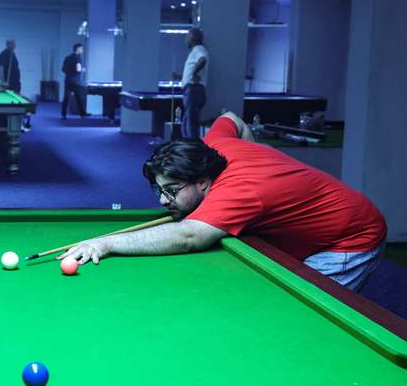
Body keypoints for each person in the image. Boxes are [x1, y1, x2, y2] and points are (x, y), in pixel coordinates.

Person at [60, 112, 387, 292]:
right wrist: (260, 155)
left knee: (302, 309)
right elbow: (232, 117)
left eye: (172, 190)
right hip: (315, 224)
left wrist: (106, 243)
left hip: (350, 238)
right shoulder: (212, 144)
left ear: (203, 182)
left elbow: (188, 237)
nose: (163, 200)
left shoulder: (239, 193)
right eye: (159, 190)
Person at [180, 28, 209, 139]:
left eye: (187, 37)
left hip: (194, 90)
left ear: (192, 38)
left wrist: (193, 73)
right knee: (187, 124)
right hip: (193, 90)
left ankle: (193, 152)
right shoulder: (195, 51)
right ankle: (188, 150)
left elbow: (202, 60)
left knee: (190, 125)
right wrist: (180, 76)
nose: (185, 39)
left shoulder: (198, 49)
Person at [0, 39, 31, 131]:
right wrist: (3, 81)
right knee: (15, 106)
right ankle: (17, 124)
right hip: (9, 83)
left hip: (16, 82)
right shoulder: (4, 54)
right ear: (8, 44)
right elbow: (1, 68)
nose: (14, 45)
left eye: (14, 43)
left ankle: (20, 122)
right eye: (12, 44)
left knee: (16, 104)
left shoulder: (13, 54)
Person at [61, 43, 88, 119]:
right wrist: (83, 70)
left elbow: (63, 69)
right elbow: (78, 69)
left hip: (67, 80)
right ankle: (82, 114)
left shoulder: (67, 57)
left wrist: (70, 71)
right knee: (79, 97)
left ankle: (63, 114)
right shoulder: (78, 58)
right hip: (76, 81)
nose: (82, 50)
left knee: (66, 98)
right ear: (78, 49)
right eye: (81, 49)